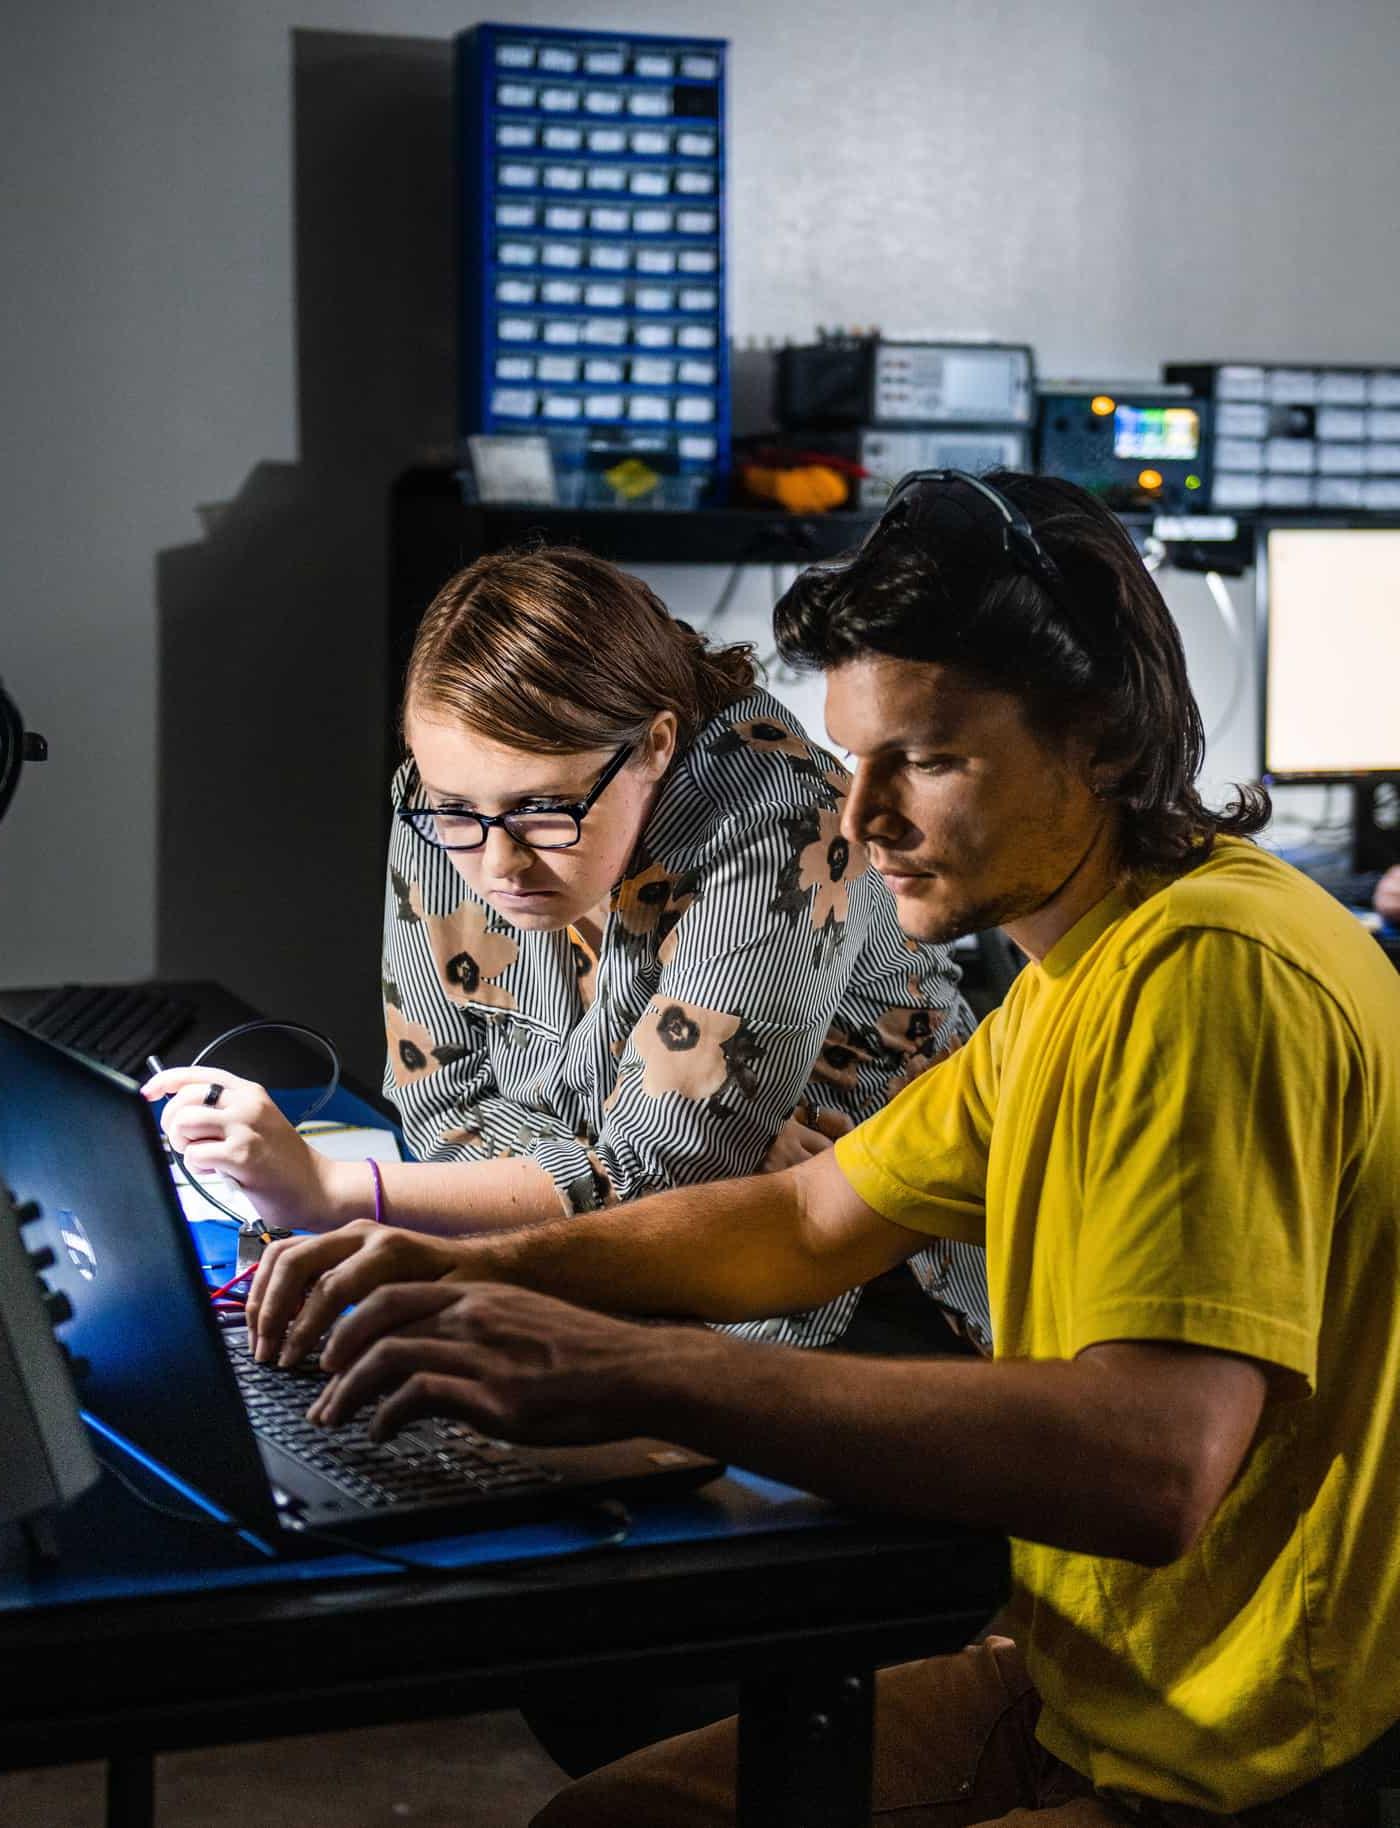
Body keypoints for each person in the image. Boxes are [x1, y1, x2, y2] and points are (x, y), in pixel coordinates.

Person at [245, 470, 1400, 1827]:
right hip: (1098, 1692)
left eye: (929, 757)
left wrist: (638, 1370)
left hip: (1249, 1766)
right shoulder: (1084, 975)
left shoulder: (1210, 981)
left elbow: (1151, 1462)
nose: (859, 817)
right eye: (856, 759)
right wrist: (473, 1276)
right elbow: (801, 1222)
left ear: (1096, 739)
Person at [146, 545, 988, 1353]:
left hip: (871, 1297)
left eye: (546, 810)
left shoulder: (779, 823)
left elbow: (663, 1178)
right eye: (456, 811)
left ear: (656, 746)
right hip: (590, 1273)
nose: (499, 861)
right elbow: (443, 1121)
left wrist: (332, 1193)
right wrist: (692, 1151)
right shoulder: (449, 809)